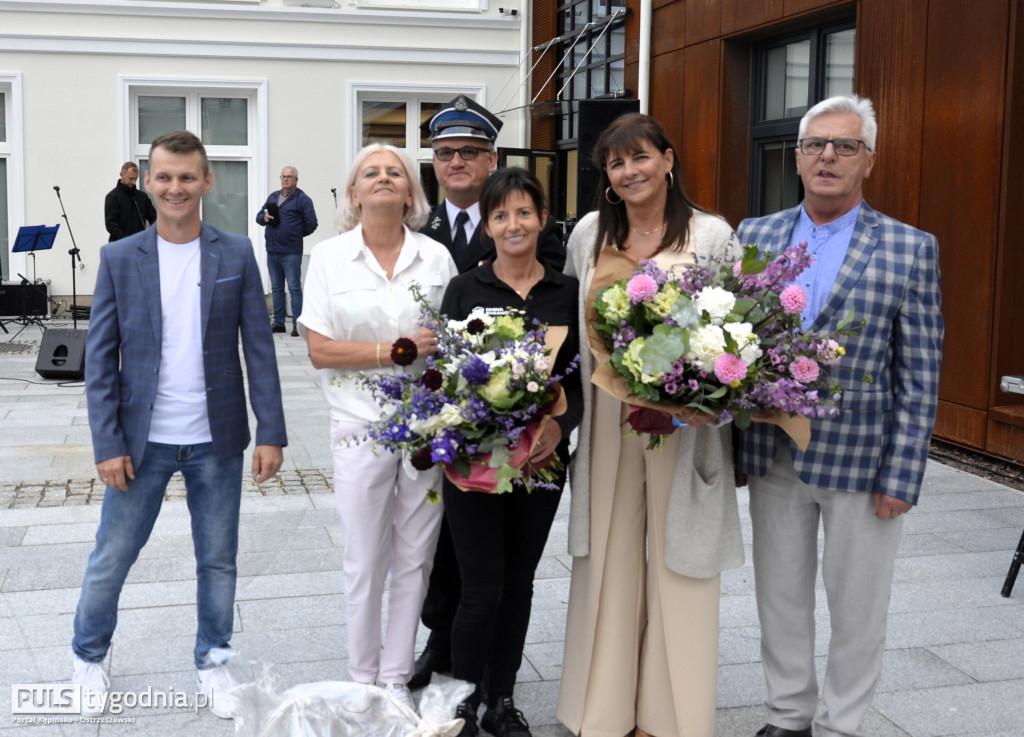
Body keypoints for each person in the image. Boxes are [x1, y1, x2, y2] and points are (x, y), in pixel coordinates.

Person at [735, 95, 944, 737]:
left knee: (858, 608)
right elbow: (732, 343)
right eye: (815, 144)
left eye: (845, 146)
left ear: (868, 161)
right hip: (774, 455)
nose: (828, 156)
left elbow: (921, 372)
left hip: (863, 460)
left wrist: (902, 476)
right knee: (780, 598)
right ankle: (787, 716)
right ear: (796, 157)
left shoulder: (911, 249)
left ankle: (844, 724)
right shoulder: (755, 237)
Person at [73, 130, 287, 719]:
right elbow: (101, 359)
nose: (175, 187)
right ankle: (88, 657)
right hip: (141, 443)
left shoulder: (236, 253)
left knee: (218, 559)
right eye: (164, 177)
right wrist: (107, 443)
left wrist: (270, 429)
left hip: (216, 439)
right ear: (147, 181)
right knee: (112, 554)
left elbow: (258, 351)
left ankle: (213, 661)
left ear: (206, 182)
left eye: (187, 177)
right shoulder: (120, 257)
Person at [556, 113, 745, 737]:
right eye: (616, 163)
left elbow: (738, 330)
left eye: (641, 157)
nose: (630, 170)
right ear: (607, 177)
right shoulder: (589, 234)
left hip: (684, 420)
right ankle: (601, 709)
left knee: (679, 558)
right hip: (609, 415)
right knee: (607, 551)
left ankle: (673, 716)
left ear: (668, 160)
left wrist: (702, 391)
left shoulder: (712, 235)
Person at [411, 94, 566, 691]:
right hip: (448, 425)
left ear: (491, 157)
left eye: (470, 153)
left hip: (522, 437)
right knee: (443, 549)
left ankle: (481, 671)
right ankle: (440, 644)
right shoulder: (419, 229)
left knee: (496, 564)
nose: (456, 163)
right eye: (445, 153)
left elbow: (561, 348)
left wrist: (555, 418)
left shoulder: (538, 241)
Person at [298, 143, 457, 714]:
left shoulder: (436, 259)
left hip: (425, 429)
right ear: (355, 193)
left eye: (396, 172)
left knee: (416, 555)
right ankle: (362, 675)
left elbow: (455, 340)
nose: (384, 178)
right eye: (372, 172)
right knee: (365, 558)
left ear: (411, 194)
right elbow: (319, 349)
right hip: (359, 425)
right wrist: (393, 352)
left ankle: (395, 676)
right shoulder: (328, 258)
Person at [438, 168, 582, 737]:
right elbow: (443, 380)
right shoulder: (465, 290)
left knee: (519, 582)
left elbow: (582, 380)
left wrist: (561, 425)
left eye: (524, 212)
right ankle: (462, 705)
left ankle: (502, 700)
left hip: (540, 465)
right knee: (480, 588)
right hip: (474, 463)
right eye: (501, 215)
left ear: (543, 219)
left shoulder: (566, 292)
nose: (513, 223)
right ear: (488, 226)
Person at [256, 165, 318, 336]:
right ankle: (279, 323)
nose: (285, 179)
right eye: (283, 176)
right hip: (273, 250)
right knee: (276, 288)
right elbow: (259, 217)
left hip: (291, 251)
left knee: (294, 288)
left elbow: (312, 223)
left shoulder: (303, 199)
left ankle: (298, 325)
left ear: (296, 180)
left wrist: (295, 234)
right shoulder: (273, 197)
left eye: (289, 176)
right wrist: (265, 218)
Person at [104, 161, 157, 242]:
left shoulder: (142, 197)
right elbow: (111, 225)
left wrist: (151, 232)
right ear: (121, 174)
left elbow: (154, 217)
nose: (133, 182)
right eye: (131, 178)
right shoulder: (112, 197)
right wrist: (128, 240)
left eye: (136, 178)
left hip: (140, 245)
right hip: (120, 246)